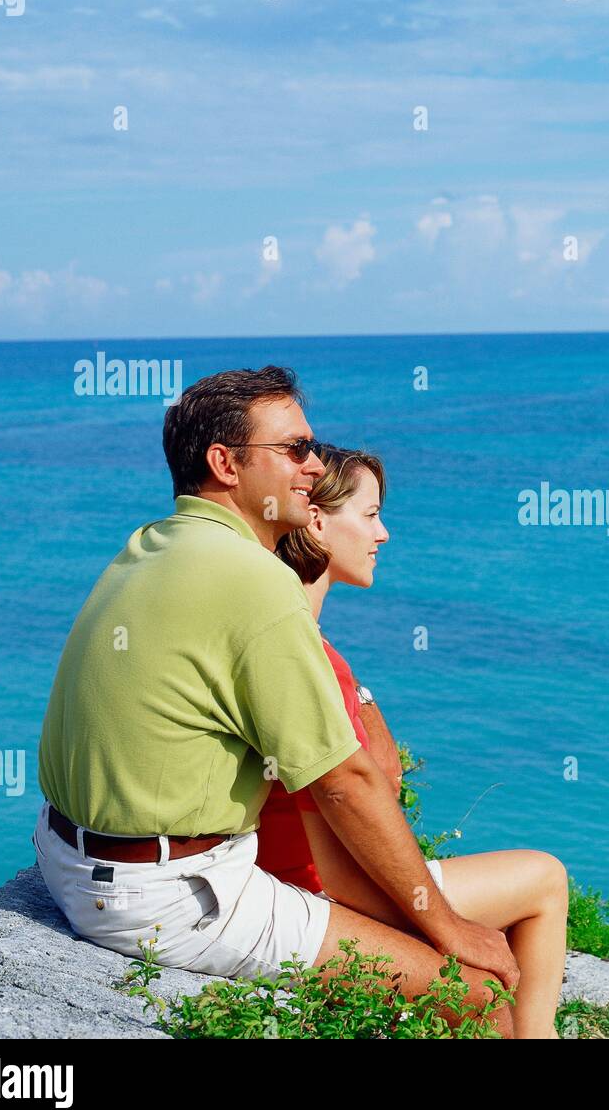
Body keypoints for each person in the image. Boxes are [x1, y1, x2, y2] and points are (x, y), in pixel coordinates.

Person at [32, 366, 524, 1036]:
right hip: (170, 895)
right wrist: (450, 926)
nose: (315, 464)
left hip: (67, 860)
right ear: (225, 464)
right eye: (294, 449)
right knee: (478, 994)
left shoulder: (150, 545)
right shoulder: (254, 579)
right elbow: (345, 782)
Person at [257, 444, 568, 1039]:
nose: (385, 533)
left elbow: (382, 772)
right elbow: (345, 863)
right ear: (317, 522)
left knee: (533, 884)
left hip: (293, 875)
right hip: (310, 891)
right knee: (545, 879)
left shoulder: (304, 643)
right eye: (370, 515)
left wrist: (363, 698)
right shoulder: (311, 659)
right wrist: (443, 927)